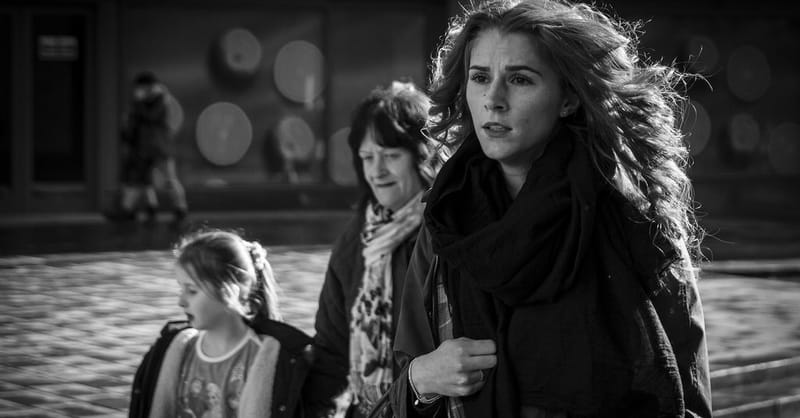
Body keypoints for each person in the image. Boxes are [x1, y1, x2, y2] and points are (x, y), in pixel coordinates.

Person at [382, 1, 713, 417]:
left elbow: (688, 394)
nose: (493, 100)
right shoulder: (447, 219)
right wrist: (422, 380)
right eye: (480, 77)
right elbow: (404, 387)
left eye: (520, 79)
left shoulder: (633, 218)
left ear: (568, 98)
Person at [306, 81, 442, 417]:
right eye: (367, 158)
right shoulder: (357, 239)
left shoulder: (446, 232)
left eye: (391, 156)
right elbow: (332, 351)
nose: (377, 171)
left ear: (424, 156)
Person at [129, 229, 314, 418]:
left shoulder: (267, 360)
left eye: (192, 291)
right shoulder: (177, 352)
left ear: (229, 291)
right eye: (181, 289)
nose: (181, 301)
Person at [106, 71, 188, 225]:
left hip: (160, 147)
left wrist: (139, 103)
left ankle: (180, 208)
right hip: (143, 148)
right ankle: (134, 209)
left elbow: (152, 116)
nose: (139, 91)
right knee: (141, 180)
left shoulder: (161, 99)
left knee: (169, 180)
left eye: (141, 87)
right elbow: (134, 124)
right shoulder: (140, 102)